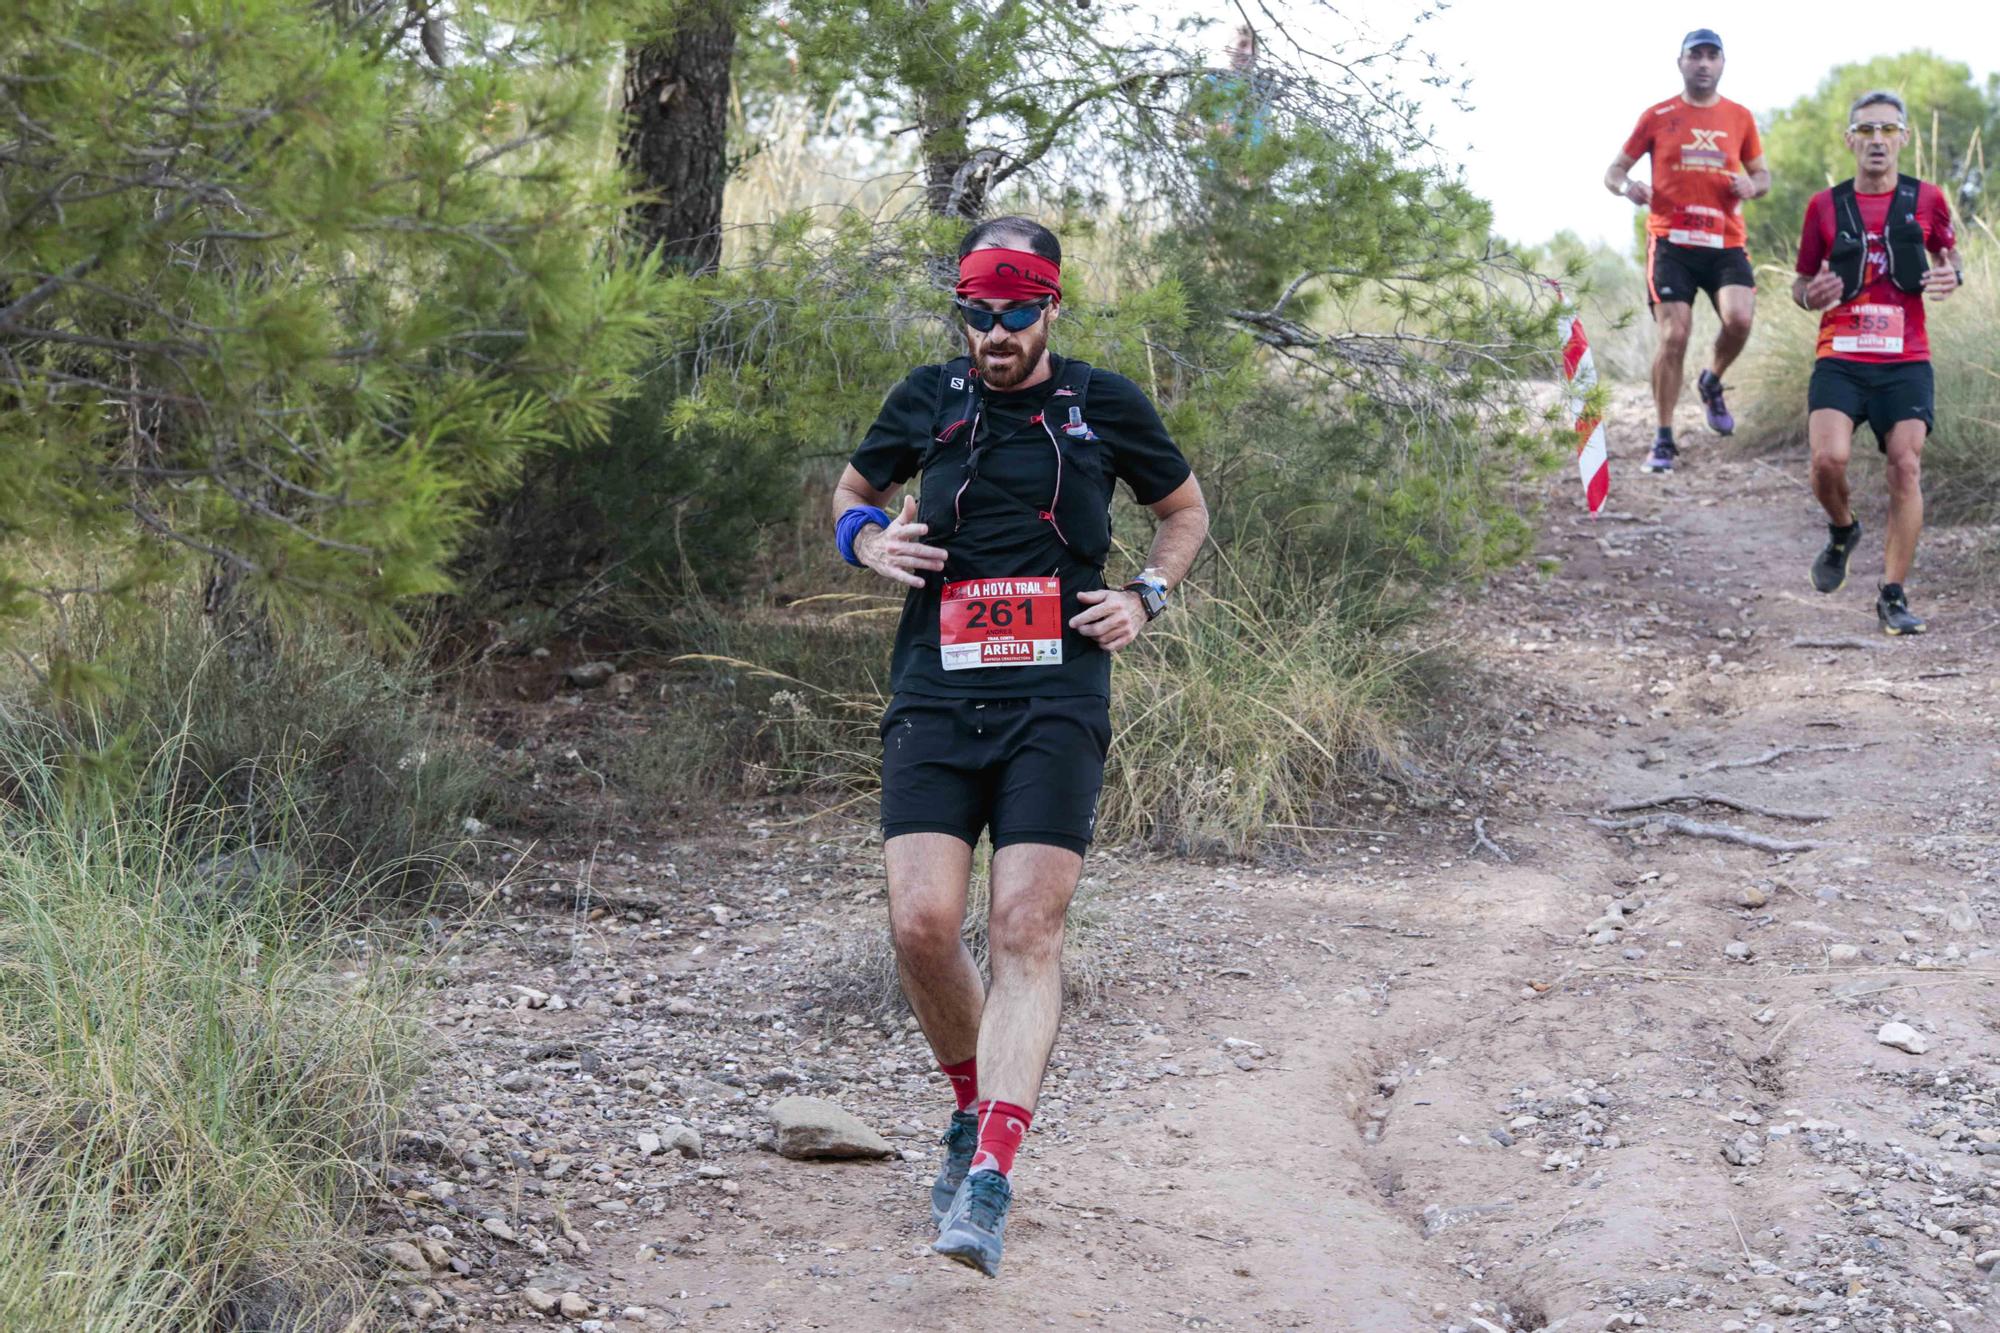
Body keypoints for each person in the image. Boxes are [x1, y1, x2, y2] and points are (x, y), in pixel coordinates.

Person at [829, 217, 1209, 1276]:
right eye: (976, 314)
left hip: (1056, 690)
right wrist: (865, 540)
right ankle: (967, 1106)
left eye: (1013, 312)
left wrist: (1146, 593)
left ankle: (990, 1174)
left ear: (1051, 307)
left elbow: (1182, 511)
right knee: (920, 924)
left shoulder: (1100, 403)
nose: (993, 333)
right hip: (935, 689)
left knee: (1023, 927)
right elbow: (851, 495)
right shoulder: (927, 399)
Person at [1792, 90, 1961, 635]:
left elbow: (1951, 257)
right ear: (1849, 141)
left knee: (1905, 466)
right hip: (1840, 355)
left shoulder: (1928, 199)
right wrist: (1808, 294)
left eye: (1888, 130)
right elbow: (1800, 281)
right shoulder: (1824, 206)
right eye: (1865, 131)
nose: (1877, 141)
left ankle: (1892, 596)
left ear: (1904, 139)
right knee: (1827, 463)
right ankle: (1843, 530)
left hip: (1906, 359)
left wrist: (1952, 275)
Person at [1603, 28, 1771, 473]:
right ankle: (1663, 438)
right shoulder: (1658, 115)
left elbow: (1763, 176)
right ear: (1680, 62)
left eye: (1711, 56)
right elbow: (1614, 171)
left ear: (1721, 64)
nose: (1703, 63)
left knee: (1739, 320)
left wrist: (1752, 186)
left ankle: (1712, 380)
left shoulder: (1739, 117)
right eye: (1695, 55)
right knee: (1674, 336)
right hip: (1672, 240)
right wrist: (1628, 187)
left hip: (1724, 241)